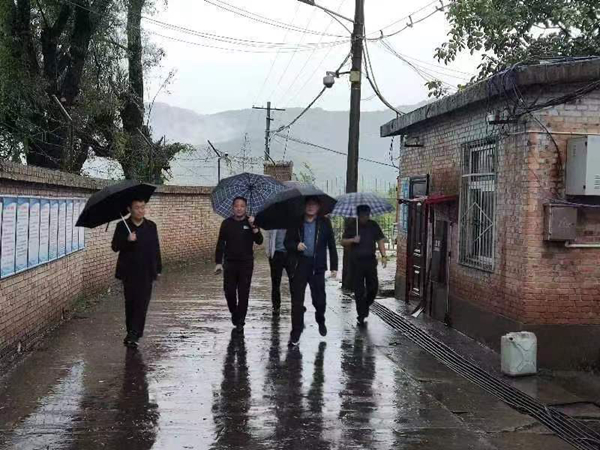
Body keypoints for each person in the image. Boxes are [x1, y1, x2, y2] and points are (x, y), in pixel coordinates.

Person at [285, 197, 338, 347]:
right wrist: (296, 246)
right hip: (300, 265)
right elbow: (287, 242)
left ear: (318, 207)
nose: (310, 207)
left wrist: (334, 267)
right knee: (297, 301)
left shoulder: (324, 223)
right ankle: (296, 332)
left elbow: (332, 245)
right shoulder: (295, 222)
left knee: (319, 300)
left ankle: (320, 319)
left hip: (317, 267)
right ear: (304, 206)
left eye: (314, 204)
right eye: (308, 204)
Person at [111, 198, 162, 348]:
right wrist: (127, 240)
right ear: (130, 209)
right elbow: (115, 247)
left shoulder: (151, 226)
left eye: (142, 207)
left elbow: (156, 248)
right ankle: (131, 332)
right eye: (137, 208)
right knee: (131, 303)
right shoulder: (122, 226)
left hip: (146, 271)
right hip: (129, 272)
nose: (140, 210)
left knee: (142, 303)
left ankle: (135, 334)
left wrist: (158, 269)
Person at [215, 197, 263, 332]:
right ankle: (234, 312)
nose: (239, 208)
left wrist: (254, 227)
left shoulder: (251, 222)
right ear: (233, 208)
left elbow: (259, 241)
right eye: (236, 206)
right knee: (229, 291)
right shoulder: (226, 223)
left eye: (242, 206)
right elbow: (220, 243)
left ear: (246, 208)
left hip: (246, 264)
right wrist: (218, 263)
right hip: (230, 263)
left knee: (243, 293)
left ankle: (240, 321)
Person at [342, 205, 387, 326]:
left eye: (367, 215)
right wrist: (352, 240)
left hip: (370, 261)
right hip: (356, 262)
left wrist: (384, 255)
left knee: (373, 287)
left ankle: (365, 305)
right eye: (362, 216)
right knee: (359, 290)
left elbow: (380, 240)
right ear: (358, 215)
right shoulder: (352, 225)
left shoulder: (373, 225)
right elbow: (343, 241)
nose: (364, 218)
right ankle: (361, 314)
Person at [266, 229, 294, 314]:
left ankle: (296, 304)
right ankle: (276, 306)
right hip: (276, 254)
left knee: (294, 282)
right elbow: (268, 236)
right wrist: (268, 253)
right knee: (275, 282)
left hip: (291, 254)